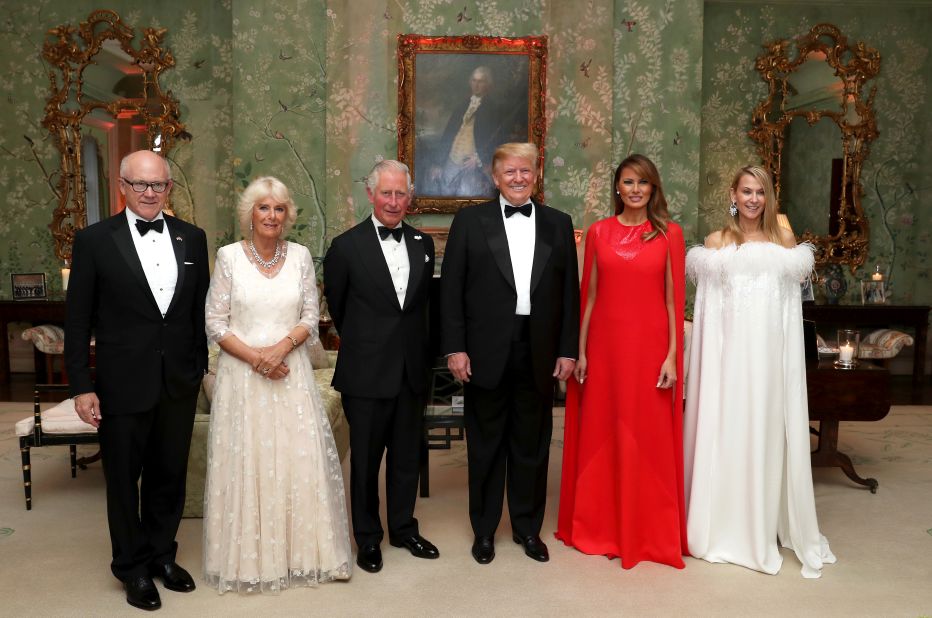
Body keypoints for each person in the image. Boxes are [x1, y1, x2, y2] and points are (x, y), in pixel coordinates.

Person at [64, 150, 209, 611]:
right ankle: (132, 568)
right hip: (121, 384)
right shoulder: (93, 241)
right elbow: (77, 320)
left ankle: (163, 556)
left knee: (169, 476)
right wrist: (83, 385)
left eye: (159, 185)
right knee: (124, 482)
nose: (150, 194)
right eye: (141, 185)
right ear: (122, 186)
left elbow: (199, 311)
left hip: (178, 381)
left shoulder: (193, 237)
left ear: (170, 188)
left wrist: (199, 369)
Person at [683, 165, 837, 578]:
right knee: (728, 433)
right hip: (730, 362)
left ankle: (761, 525)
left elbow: (791, 313)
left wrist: (786, 364)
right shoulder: (716, 244)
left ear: (769, 198)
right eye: (746, 191)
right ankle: (721, 524)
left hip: (768, 361)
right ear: (733, 193)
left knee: (765, 435)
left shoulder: (784, 242)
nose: (753, 199)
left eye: (761, 192)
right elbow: (709, 316)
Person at [202, 176, 352, 592]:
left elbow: (310, 315)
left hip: (291, 375)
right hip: (242, 377)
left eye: (279, 208)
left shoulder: (302, 256)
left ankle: (306, 555)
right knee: (248, 462)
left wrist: (281, 349)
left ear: (288, 216)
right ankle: (251, 562)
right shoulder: (229, 257)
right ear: (249, 213)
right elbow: (214, 322)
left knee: (296, 460)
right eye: (263, 207)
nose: (271, 215)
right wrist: (258, 359)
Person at [441, 142, 579, 565]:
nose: (518, 178)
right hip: (484, 350)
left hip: (538, 348)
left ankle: (526, 529)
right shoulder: (469, 222)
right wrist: (455, 348)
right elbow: (451, 291)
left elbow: (570, 295)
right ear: (494, 176)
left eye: (525, 171)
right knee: (485, 445)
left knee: (532, 446)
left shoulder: (559, 223)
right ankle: (484, 531)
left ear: (536, 174)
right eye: (509, 172)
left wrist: (568, 350)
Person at [555, 154, 688, 569]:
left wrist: (671, 356)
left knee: (646, 436)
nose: (635, 189)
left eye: (643, 183)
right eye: (628, 182)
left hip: (649, 351)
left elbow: (673, 300)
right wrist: (580, 351)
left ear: (653, 189)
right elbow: (588, 296)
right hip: (604, 350)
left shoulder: (670, 234)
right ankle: (599, 524)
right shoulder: (597, 232)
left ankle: (645, 528)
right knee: (602, 431)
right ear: (618, 187)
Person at [323, 160, 438, 574]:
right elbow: (338, 308)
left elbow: (423, 309)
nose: (393, 201)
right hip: (366, 371)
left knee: (407, 457)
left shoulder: (424, 243)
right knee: (367, 461)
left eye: (400, 193)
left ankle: (404, 529)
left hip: (410, 369)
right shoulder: (345, 246)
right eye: (386, 193)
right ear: (370, 195)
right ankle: (367, 539)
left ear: (410, 196)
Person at [425, 66, 506, 197]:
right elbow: (448, 134)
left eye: (481, 81)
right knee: (445, 194)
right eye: (474, 81)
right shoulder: (462, 106)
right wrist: (438, 163)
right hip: (451, 160)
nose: (477, 85)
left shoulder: (493, 109)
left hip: (473, 165)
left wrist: (479, 158)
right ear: (470, 82)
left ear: (488, 84)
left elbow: (498, 138)